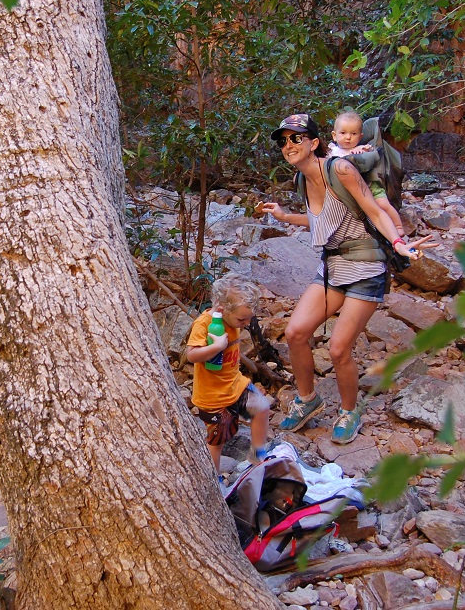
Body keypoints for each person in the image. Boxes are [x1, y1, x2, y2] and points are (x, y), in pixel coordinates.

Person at [261, 114, 435, 445]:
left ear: (314, 143)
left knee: (339, 348)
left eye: (296, 139)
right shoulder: (302, 181)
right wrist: (285, 217)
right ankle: (308, 398)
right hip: (333, 267)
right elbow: (323, 222)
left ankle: (349, 411)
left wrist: (399, 241)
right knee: (296, 333)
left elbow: (372, 209)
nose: (288, 146)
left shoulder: (339, 169)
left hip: (367, 265)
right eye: (283, 141)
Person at [186, 273, 272, 483]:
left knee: (261, 406)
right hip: (213, 396)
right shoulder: (205, 324)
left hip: (235, 384)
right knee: (217, 439)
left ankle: (258, 457)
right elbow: (191, 354)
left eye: (249, 318)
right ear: (222, 309)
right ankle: (214, 479)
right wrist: (216, 347)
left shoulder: (233, 318)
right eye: (242, 319)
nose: (245, 323)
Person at [328, 110, 405, 235]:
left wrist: (362, 152)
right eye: (343, 133)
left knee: (382, 204)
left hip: (369, 186)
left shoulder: (362, 149)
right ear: (334, 135)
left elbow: (371, 158)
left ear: (360, 137)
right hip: (348, 189)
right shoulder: (333, 151)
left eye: (353, 134)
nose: (348, 137)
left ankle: (398, 226)